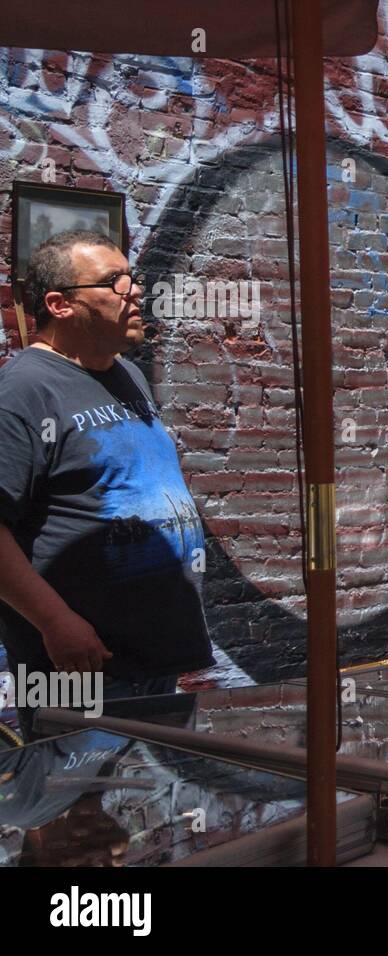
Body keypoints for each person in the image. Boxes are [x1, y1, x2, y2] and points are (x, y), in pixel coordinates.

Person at [0, 230, 214, 740]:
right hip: (77, 664)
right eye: (114, 282)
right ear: (60, 304)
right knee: (73, 805)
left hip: (152, 655)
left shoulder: (126, 376)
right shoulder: (23, 391)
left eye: (132, 278)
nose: (134, 291)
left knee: (134, 805)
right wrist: (55, 623)